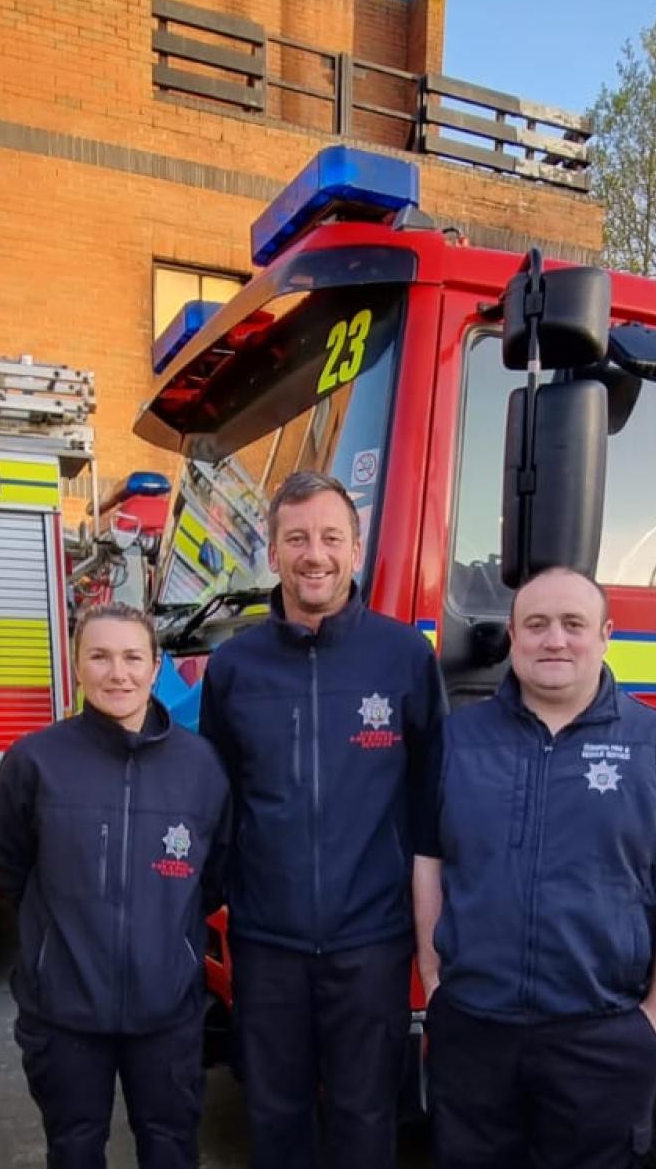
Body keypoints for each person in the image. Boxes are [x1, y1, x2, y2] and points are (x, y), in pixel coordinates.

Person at [413, 566, 656, 1169]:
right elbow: (429, 862)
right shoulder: (458, 740)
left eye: (573, 624)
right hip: (475, 1030)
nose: (554, 639)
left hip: (601, 1038)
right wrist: (435, 987)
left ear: (606, 635)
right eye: (536, 624)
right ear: (512, 635)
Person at [199, 470, 446, 1169]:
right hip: (266, 943)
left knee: (365, 1115)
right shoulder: (233, 667)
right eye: (297, 538)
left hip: (370, 941)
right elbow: (218, 801)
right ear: (273, 552)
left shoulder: (403, 658)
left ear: (356, 549)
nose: (316, 555)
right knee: (274, 1115)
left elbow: (432, 797)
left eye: (331, 538)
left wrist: (427, 930)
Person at [0, 602, 230, 1169]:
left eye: (132, 657)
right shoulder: (34, 762)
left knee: (170, 1150)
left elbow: (214, 875)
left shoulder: (201, 767)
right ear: (76, 665)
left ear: (155, 663)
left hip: (168, 1013)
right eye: (100, 656)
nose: (118, 673)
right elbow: (6, 859)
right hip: (64, 1013)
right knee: (73, 1152)